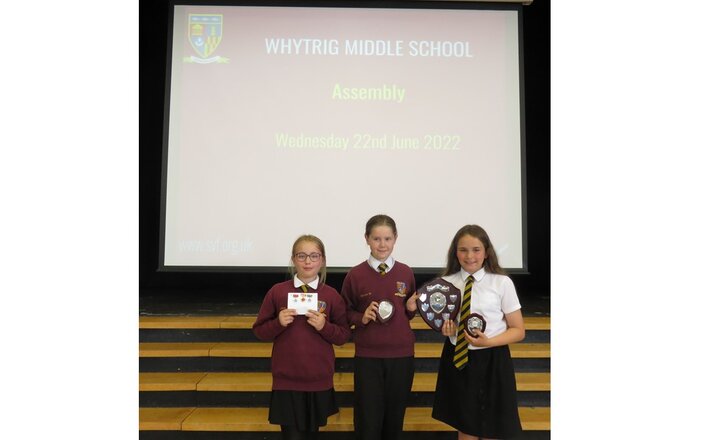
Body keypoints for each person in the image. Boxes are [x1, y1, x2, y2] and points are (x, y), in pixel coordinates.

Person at [252, 234, 351, 440]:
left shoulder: (331, 295)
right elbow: (260, 331)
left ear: (322, 260)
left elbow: (343, 336)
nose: (308, 261)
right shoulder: (277, 292)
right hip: (287, 381)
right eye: (302, 255)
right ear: (293, 259)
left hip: (318, 380)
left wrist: (324, 327)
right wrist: (278, 323)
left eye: (314, 256)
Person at [432, 224, 525, 440]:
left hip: (493, 359)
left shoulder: (501, 283)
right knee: (466, 425)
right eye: (463, 249)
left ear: (486, 252)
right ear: (455, 252)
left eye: (476, 249)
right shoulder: (446, 284)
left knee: (494, 426)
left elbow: (519, 330)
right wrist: (447, 329)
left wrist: (488, 342)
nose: (470, 256)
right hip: (459, 358)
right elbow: (445, 322)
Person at [341, 214, 417, 440]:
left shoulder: (406, 272)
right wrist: (361, 318)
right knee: (368, 419)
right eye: (376, 239)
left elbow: (407, 312)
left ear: (395, 239)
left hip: (402, 355)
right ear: (366, 239)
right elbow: (345, 312)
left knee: (395, 418)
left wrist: (412, 308)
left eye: (387, 238)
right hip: (368, 356)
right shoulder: (355, 275)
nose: (382, 244)